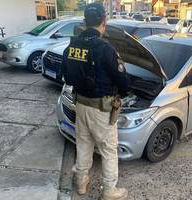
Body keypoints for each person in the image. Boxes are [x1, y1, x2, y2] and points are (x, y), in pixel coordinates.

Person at [61, 3, 129, 200]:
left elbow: (65, 75)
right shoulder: (105, 48)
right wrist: (123, 93)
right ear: (104, 22)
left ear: (84, 21)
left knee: (83, 145)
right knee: (108, 149)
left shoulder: (72, 45)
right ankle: (109, 191)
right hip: (101, 110)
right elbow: (123, 81)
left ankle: (81, 183)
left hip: (80, 105)